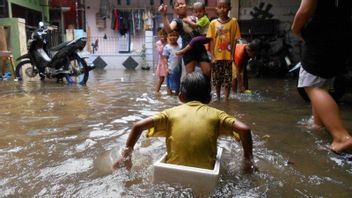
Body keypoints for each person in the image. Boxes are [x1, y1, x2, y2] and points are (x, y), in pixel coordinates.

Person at [112, 72, 255, 173]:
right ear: (209, 99)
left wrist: (126, 156)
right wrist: (248, 161)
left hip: (171, 171)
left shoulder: (170, 113)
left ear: (180, 97)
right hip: (206, 173)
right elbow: (245, 130)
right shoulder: (217, 115)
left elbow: (138, 126)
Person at [292, 0, 352, 153]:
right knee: (321, 82)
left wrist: (296, 29)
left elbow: (305, 11)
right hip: (343, 36)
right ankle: (318, 124)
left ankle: (341, 137)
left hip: (321, 36)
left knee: (311, 85)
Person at [158, 0, 211, 78]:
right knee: (190, 76)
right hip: (188, 51)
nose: (180, 6)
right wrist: (164, 15)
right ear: (174, 9)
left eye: (182, 4)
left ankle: (206, 90)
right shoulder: (177, 21)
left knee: (208, 72)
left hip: (200, 48)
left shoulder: (195, 17)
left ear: (186, 5)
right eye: (177, 5)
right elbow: (169, 30)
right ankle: (188, 89)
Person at [207, 0, 241, 101]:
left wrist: (232, 56)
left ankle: (226, 98)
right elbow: (211, 41)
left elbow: (235, 40)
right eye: (220, 7)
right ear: (216, 9)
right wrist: (212, 56)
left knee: (228, 80)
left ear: (229, 8)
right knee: (217, 79)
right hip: (217, 57)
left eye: (225, 7)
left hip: (228, 57)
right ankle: (217, 97)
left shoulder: (233, 22)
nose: (222, 9)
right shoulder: (213, 23)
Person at [162, 30, 182, 95]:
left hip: (178, 69)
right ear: (168, 37)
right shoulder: (167, 47)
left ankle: (176, 96)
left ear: (178, 37)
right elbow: (165, 59)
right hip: (170, 69)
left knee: (178, 82)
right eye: (171, 35)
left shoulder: (180, 46)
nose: (173, 37)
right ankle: (169, 96)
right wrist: (166, 68)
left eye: (175, 35)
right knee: (169, 83)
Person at [155, 28, 168, 93]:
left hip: (169, 63)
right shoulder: (158, 43)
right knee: (161, 79)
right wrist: (162, 44)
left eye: (164, 34)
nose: (163, 36)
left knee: (169, 79)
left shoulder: (169, 41)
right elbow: (160, 52)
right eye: (161, 34)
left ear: (167, 34)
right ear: (158, 35)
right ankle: (157, 92)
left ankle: (169, 92)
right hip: (162, 63)